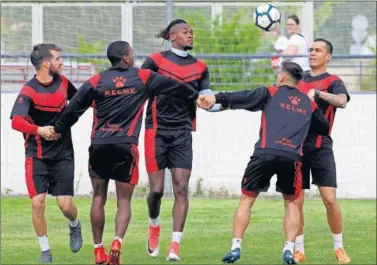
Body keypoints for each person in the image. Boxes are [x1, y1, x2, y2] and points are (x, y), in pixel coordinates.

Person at [51, 40, 201, 265]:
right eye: (132, 54)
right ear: (127, 58)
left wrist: (57, 130)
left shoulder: (97, 80)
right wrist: (194, 95)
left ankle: (98, 250)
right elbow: (175, 86)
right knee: (123, 201)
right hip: (126, 146)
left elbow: (74, 109)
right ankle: (117, 242)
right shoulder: (142, 77)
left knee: (98, 197)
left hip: (99, 145)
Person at [199, 61, 330, 264]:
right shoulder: (308, 103)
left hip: (264, 154)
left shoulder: (270, 92)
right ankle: (288, 249)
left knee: (247, 199)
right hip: (292, 158)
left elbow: (240, 96)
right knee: (291, 203)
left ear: (281, 78)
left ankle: (235, 247)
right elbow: (323, 126)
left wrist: (214, 98)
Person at [141, 18, 221, 261]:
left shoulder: (200, 66)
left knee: (181, 188)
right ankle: (154, 225)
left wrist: (217, 104)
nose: (191, 35)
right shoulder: (155, 60)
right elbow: (139, 87)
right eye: (186, 32)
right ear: (173, 36)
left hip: (183, 131)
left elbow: (206, 96)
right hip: (156, 130)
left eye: (192, 32)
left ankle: (175, 244)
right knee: (155, 190)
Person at [9, 43, 83, 263]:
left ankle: (74, 225)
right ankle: (45, 251)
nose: (61, 62)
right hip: (36, 155)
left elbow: (80, 102)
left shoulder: (64, 83)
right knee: (37, 203)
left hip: (63, 154)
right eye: (58, 59)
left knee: (66, 206)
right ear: (46, 63)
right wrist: (39, 130)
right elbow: (16, 122)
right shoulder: (28, 91)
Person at [294, 38, 351, 264]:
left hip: (321, 146)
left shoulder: (333, 81)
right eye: (311, 50)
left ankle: (339, 247)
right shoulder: (298, 80)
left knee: (329, 199)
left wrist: (318, 93)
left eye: (318, 50)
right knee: (296, 201)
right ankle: (298, 250)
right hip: (295, 147)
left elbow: (342, 101)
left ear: (328, 57)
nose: (312, 53)